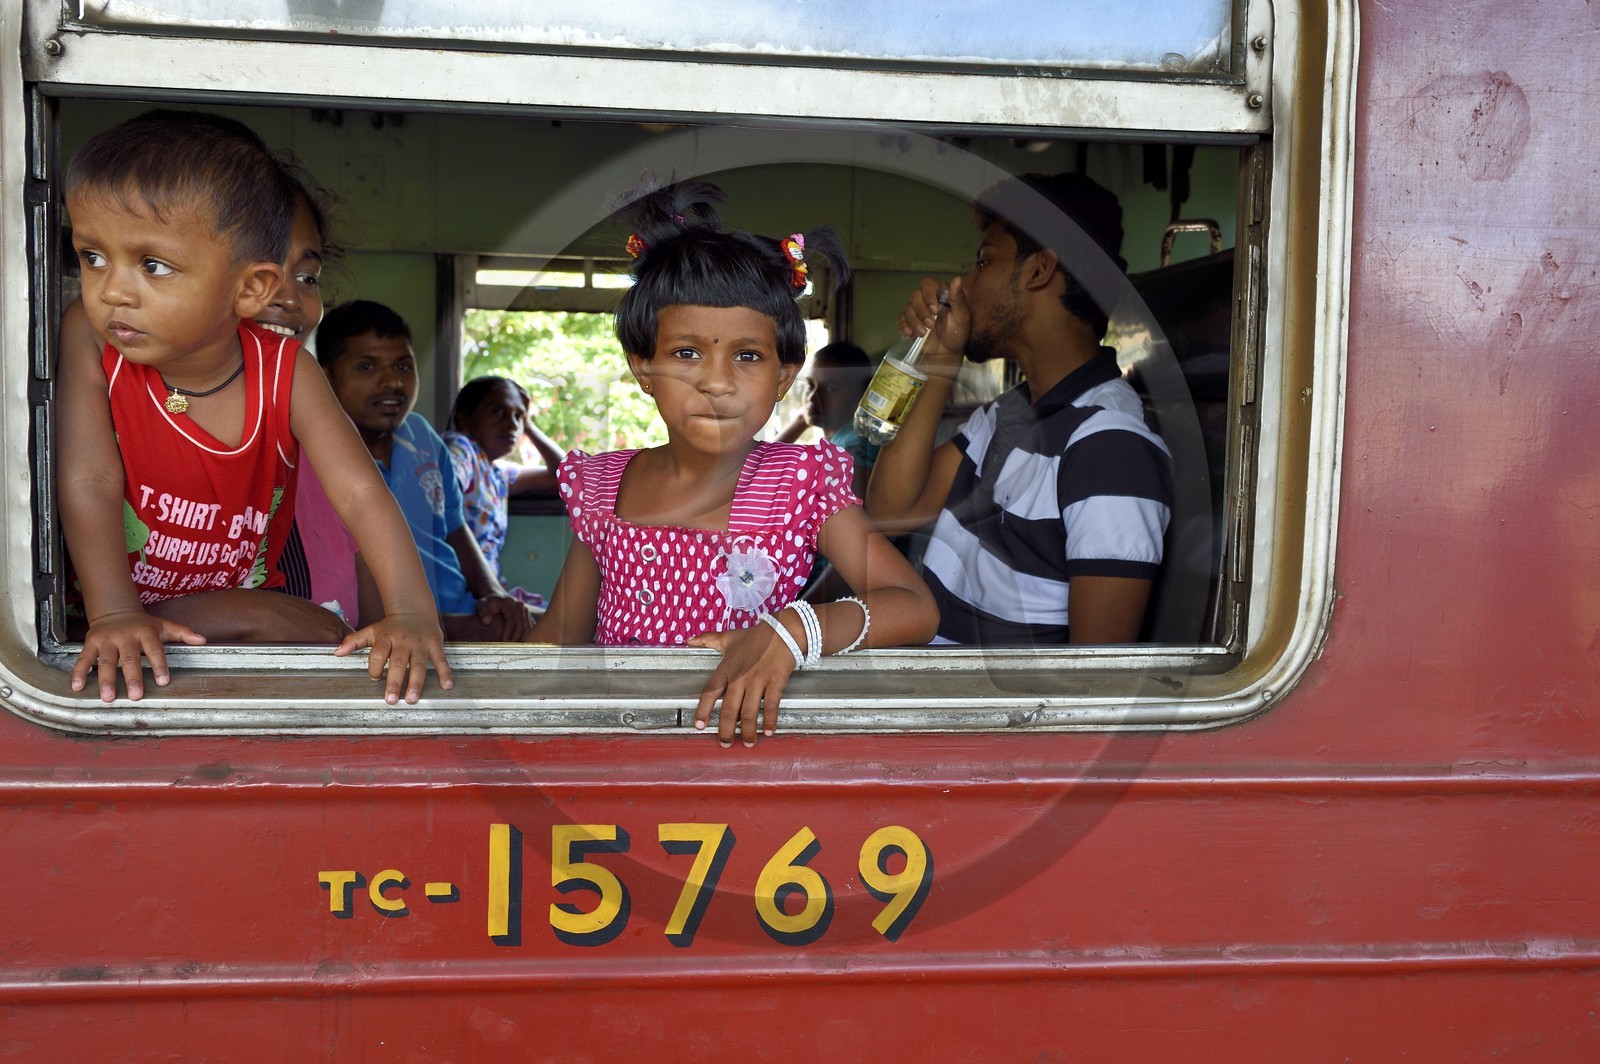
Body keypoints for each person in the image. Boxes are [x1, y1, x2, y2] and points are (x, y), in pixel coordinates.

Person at [57, 109, 452, 703]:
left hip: (245, 639)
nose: (111, 289)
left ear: (248, 289)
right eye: (92, 257)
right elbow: (88, 475)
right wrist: (113, 613)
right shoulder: (89, 338)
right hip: (121, 626)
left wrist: (412, 614)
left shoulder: (289, 373)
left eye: (153, 265)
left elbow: (361, 493)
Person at [527, 178, 938, 747]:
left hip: (750, 761)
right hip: (620, 758)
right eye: (686, 353)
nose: (717, 382)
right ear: (643, 368)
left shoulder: (799, 487)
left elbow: (914, 608)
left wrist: (792, 629)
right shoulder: (603, 488)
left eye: (747, 356)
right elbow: (558, 641)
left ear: (783, 377)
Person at [866, 171, 1172, 645]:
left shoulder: (1109, 447)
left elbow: (1095, 681)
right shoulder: (1009, 413)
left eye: (983, 262)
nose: (962, 286)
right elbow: (890, 510)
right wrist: (941, 355)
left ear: (1039, 271)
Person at [316, 300, 539, 641]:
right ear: (325, 377)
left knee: (568, 624)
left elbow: (455, 529)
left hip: (461, 606)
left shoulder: (422, 436)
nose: (392, 382)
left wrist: (494, 594)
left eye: (403, 366)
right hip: (389, 622)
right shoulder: (319, 453)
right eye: (366, 367)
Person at [442, 375, 563, 591]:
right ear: (465, 420)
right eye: (498, 411)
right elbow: (440, 497)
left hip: (486, 589)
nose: (511, 424)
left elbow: (565, 475)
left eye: (518, 416)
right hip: (457, 589)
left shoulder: (497, 473)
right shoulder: (460, 449)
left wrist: (530, 427)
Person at [776, 340, 877, 499]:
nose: (812, 397)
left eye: (830, 388)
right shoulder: (842, 440)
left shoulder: (854, 446)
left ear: (860, 394)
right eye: (810, 385)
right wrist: (802, 419)